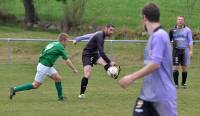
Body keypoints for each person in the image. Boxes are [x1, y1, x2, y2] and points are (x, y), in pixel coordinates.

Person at [119, 3, 177, 116]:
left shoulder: (160, 35)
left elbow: (155, 64)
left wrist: (132, 77)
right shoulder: (154, 36)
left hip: (162, 97)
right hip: (147, 96)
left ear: (144, 17)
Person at [9, 33, 78, 101]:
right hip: (44, 67)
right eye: (67, 41)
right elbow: (67, 61)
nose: (67, 43)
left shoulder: (53, 43)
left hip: (46, 65)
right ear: (63, 40)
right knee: (35, 85)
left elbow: (42, 52)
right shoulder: (60, 47)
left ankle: (60, 98)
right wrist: (74, 69)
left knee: (58, 78)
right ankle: (14, 89)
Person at [76, 24, 118, 99]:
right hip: (87, 54)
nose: (112, 32)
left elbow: (89, 35)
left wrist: (78, 38)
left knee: (104, 63)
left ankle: (113, 74)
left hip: (95, 54)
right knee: (87, 74)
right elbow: (102, 52)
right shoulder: (100, 36)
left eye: (113, 30)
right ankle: (81, 94)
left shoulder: (101, 34)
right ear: (106, 28)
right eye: (111, 30)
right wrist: (110, 62)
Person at [169, 16, 193, 88]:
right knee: (175, 67)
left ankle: (184, 83)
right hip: (176, 50)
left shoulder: (188, 30)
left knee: (184, 68)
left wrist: (191, 50)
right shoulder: (172, 30)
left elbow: (190, 41)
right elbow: (168, 41)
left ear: (183, 21)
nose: (180, 21)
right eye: (178, 19)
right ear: (176, 21)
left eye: (181, 20)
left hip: (185, 51)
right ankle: (176, 84)